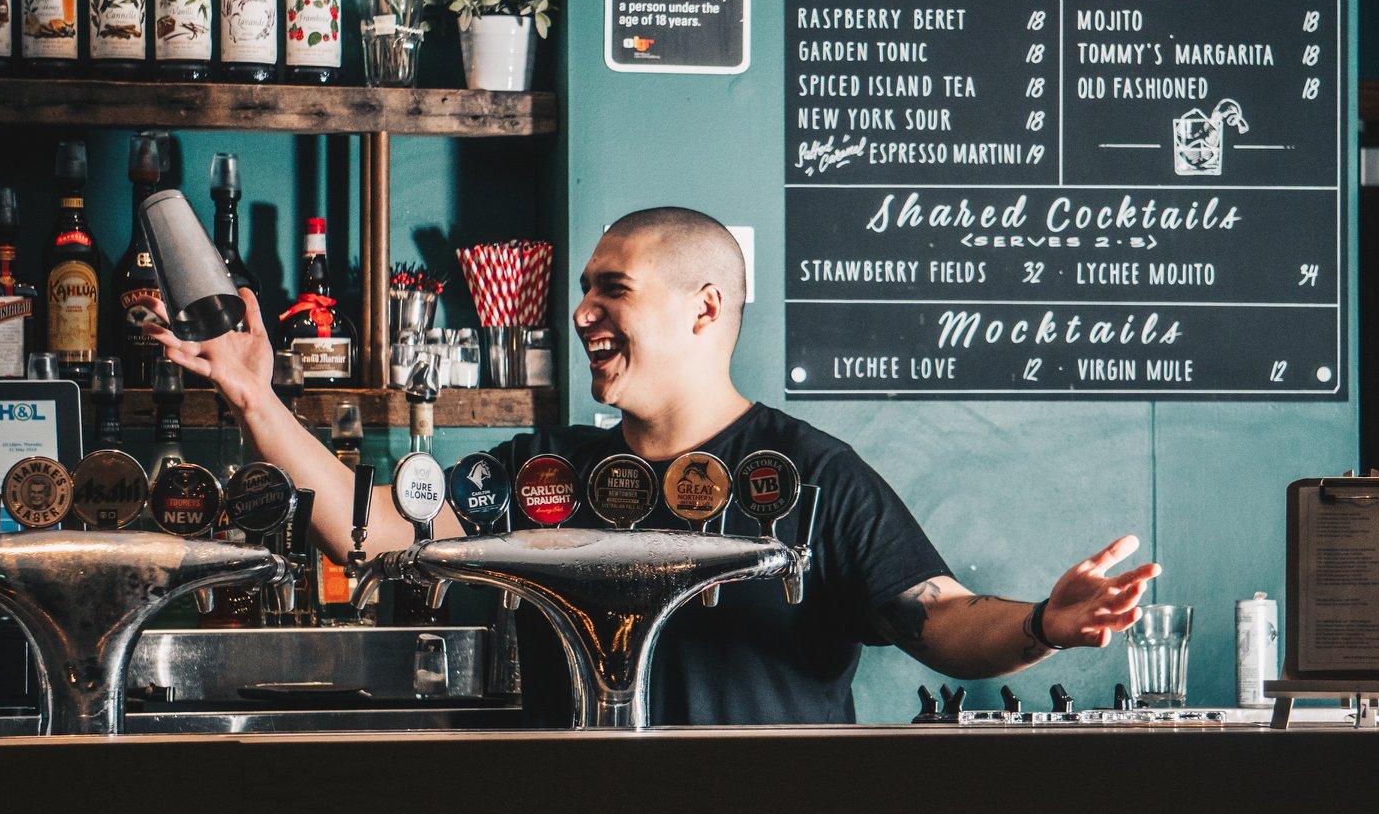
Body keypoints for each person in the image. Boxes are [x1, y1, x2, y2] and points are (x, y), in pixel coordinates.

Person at [149, 206, 1159, 725]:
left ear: (704, 307)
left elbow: (936, 615)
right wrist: (251, 395)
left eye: (611, 289)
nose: (582, 312)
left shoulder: (810, 474)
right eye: (582, 291)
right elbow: (367, 527)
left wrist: (1037, 625)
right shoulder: (540, 468)